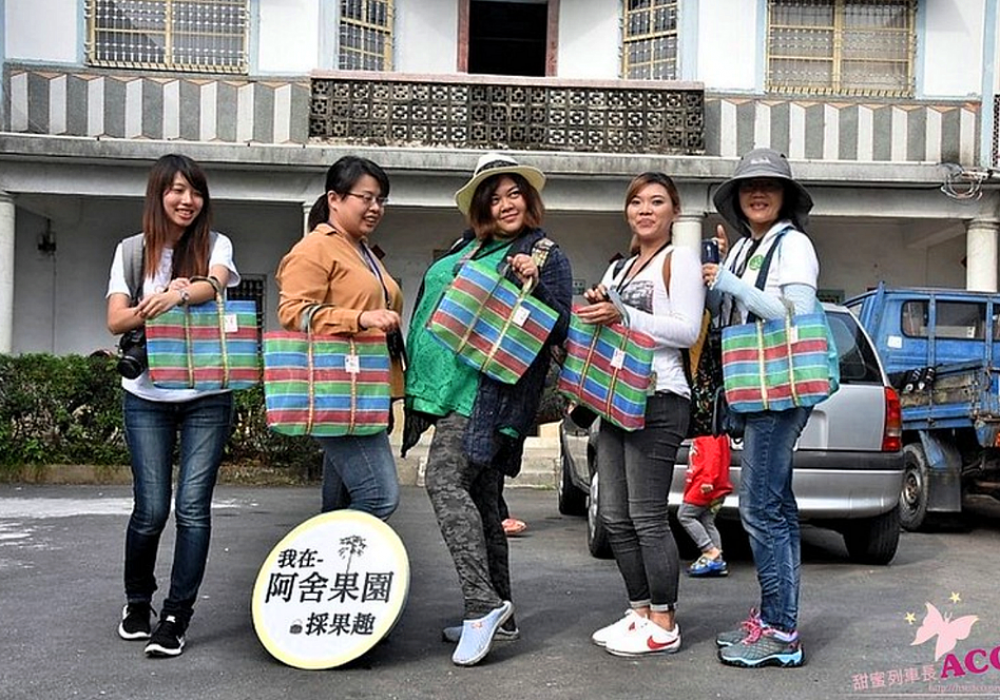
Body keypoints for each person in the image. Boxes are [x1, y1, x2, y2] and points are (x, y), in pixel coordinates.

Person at [402, 152, 572, 666]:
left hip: (491, 396)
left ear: (529, 199)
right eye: (494, 197)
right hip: (450, 393)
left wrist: (534, 282)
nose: (506, 204)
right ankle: (505, 616)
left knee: (443, 480)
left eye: (514, 193)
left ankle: (482, 606)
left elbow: (563, 329)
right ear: (480, 208)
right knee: (482, 501)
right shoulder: (467, 247)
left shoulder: (545, 253)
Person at [107, 153, 241, 657]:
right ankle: (137, 601)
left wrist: (184, 293)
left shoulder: (215, 243)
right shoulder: (131, 253)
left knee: (192, 510)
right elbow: (116, 321)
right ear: (158, 194)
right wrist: (156, 300)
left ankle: (175, 617)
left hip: (207, 393)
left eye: (195, 191)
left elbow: (218, 282)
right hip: (146, 395)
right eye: (177, 190)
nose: (187, 201)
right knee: (151, 509)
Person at [702, 147, 818, 668]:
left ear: (786, 197)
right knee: (778, 509)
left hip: (780, 391)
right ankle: (776, 618)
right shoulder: (746, 248)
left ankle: (780, 630)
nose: (758, 193)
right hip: (756, 390)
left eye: (770, 186)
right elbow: (725, 308)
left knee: (759, 510)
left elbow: (796, 314)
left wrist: (729, 282)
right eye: (749, 187)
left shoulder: (794, 247)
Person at [581, 172, 704, 657]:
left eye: (656, 201)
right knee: (613, 515)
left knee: (646, 515)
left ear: (673, 211)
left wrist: (623, 315)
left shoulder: (681, 261)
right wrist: (600, 309)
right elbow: (610, 328)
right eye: (637, 202)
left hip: (661, 395)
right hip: (615, 397)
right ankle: (638, 611)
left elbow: (687, 329)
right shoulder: (621, 269)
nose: (645, 210)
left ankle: (665, 618)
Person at [276, 156, 403, 520]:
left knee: (338, 501)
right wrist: (360, 318)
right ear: (335, 198)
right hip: (338, 388)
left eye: (381, 200)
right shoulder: (315, 248)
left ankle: (333, 573)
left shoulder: (361, 250)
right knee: (379, 496)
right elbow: (294, 313)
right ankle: (327, 557)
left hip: (366, 388)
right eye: (366, 198)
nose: (375, 207)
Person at [678, 435, 732, 577]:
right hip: (716, 487)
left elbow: (712, 457)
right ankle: (717, 561)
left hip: (704, 486)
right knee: (707, 521)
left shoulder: (708, 433)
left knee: (685, 515)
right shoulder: (719, 434)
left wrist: (707, 480)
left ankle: (709, 550)